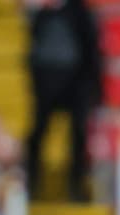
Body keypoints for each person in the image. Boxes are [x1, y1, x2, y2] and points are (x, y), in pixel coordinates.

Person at [22, 0, 101, 201]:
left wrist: (94, 90)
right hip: (46, 86)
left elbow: (92, 51)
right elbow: (32, 50)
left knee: (78, 137)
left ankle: (76, 186)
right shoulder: (41, 14)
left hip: (75, 85)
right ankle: (31, 184)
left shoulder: (80, 12)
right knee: (38, 134)